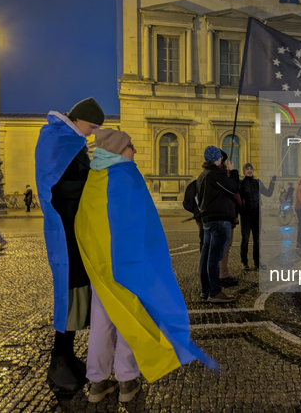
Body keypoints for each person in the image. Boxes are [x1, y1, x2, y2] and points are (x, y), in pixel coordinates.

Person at [76, 129, 215, 403]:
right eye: (130, 146)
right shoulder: (126, 175)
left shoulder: (94, 177)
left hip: (101, 265)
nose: (134, 151)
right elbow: (140, 223)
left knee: (102, 321)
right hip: (128, 263)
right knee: (134, 316)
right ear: (118, 149)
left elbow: (85, 223)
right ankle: (127, 381)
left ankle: (97, 382)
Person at [35, 97, 104, 391]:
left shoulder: (68, 141)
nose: (91, 133)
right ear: (79, 119)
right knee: (68, 292)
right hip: (65, 229)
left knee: (75, 291)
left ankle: (67, 355)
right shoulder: (59, 140)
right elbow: (57, 187)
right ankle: (57, 361)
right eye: (91, 126)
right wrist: (92, 182)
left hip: (74, 228)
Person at [197, 146, 240, 302]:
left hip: (208, 220)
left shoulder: (203, 175)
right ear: (216, 158)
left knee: (206, 257)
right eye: (220, 158)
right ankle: (215, 292)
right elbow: (234, 188)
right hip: (219, 221)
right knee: (213, 258)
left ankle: (205, 290)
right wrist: (233, 172)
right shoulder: (214, 175)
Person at [239, 163, 275, 270]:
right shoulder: (241, 184)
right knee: (245, 240)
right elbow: (238, 200)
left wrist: (272, 182)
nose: (249, 171)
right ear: (244, 171)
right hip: (246, 217)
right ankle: (244, 263)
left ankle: (257, 263)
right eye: (247, 169)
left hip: (257, 216)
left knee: (257, 240)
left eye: (251, 169)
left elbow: (268, 193)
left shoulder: (258, 182)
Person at [218, 150, 241, 288]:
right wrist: (233, 173)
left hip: (221, 217)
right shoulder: (222, 175)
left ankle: (220, 274)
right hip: (226, 217)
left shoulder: (211, 174)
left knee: (222, 248)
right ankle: (223, 276)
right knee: (225, 247)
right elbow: (234, 191)